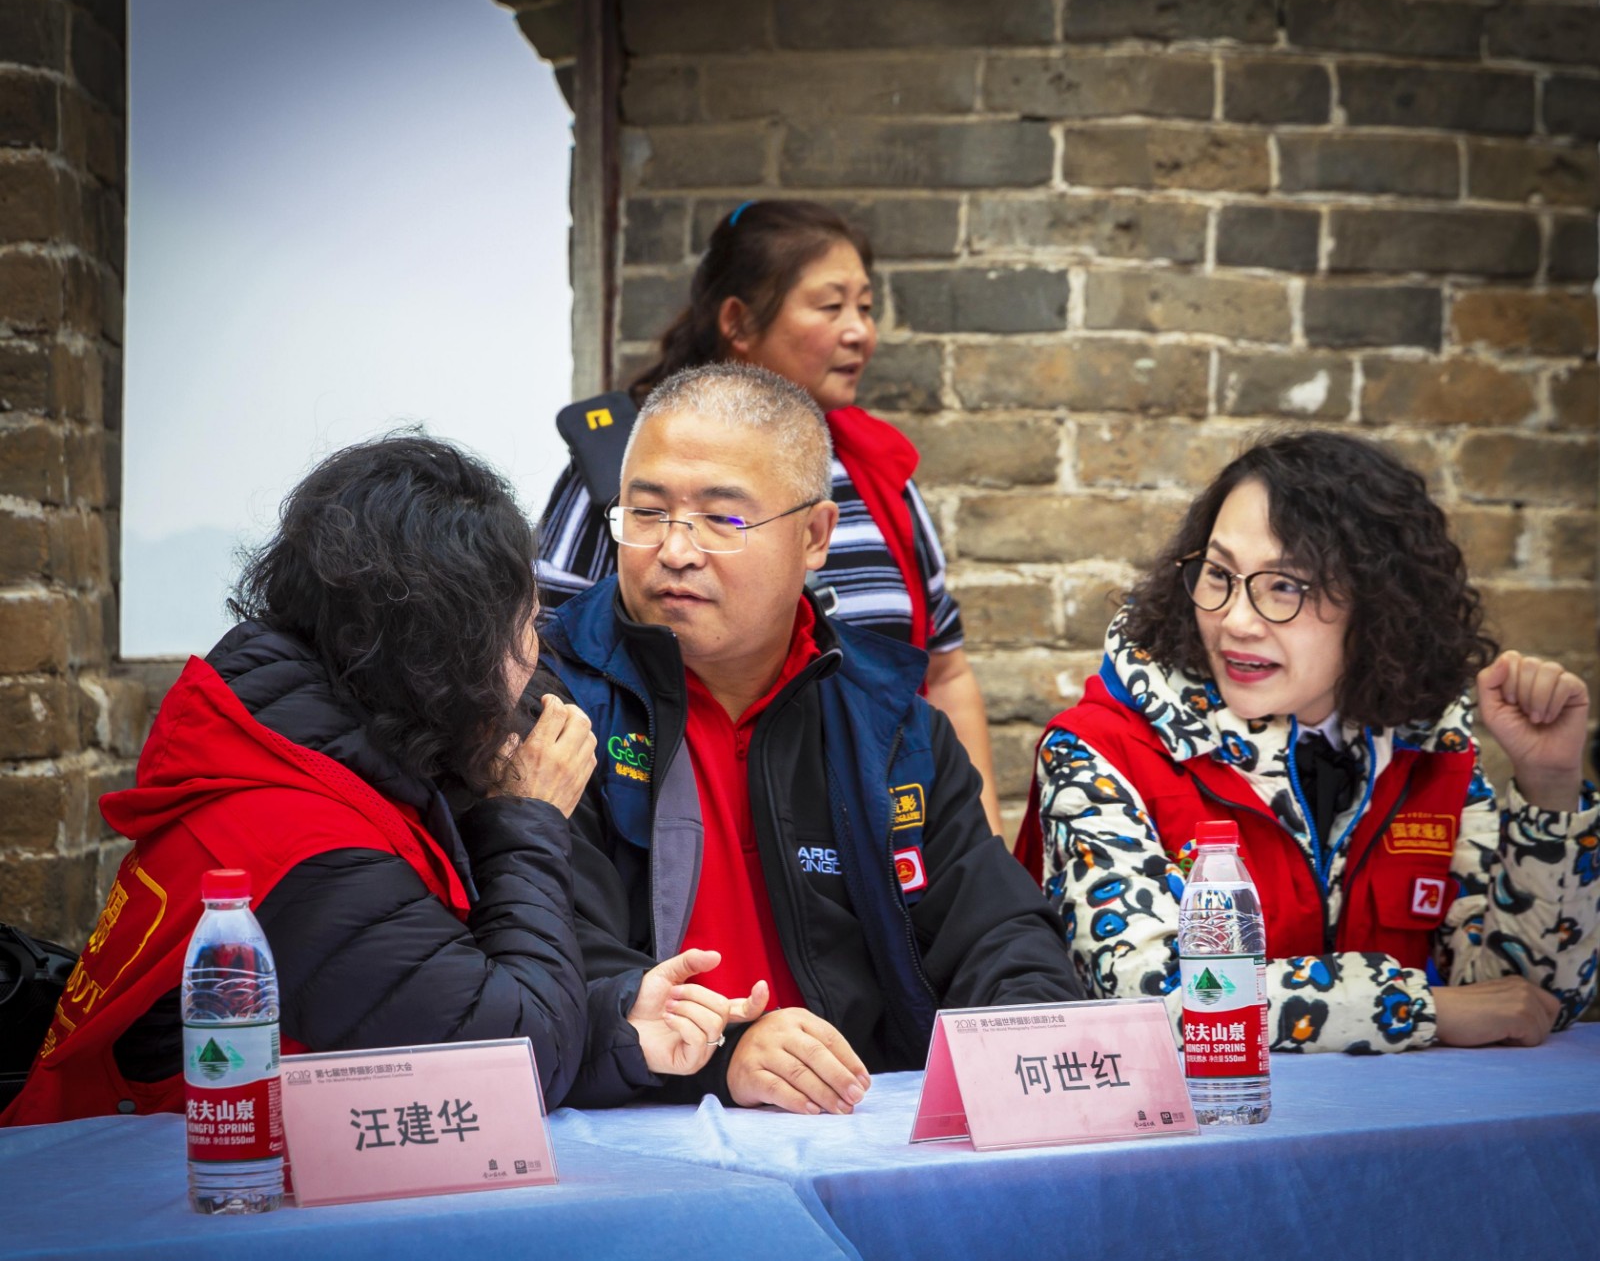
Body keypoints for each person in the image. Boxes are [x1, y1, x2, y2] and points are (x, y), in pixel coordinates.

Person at [2, 434, 759, 1126]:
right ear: (448, 651)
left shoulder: (339, 747)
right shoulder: (298, 837)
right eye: (526, 626)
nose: (537, 660)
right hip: (185, 1185)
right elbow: (509, 1066)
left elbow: (438, 1014)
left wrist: (623, 1024)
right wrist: (528, 817)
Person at [542, 363, 1083, 1115]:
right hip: (636, 1131)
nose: (675, 550)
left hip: (864, 1127)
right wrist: (721, 1056)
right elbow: (543, 961)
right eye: (647, 512)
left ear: (815, 536)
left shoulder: (887, 722)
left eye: (721, 520)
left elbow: (998, 930)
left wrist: (1029, 1042)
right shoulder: (551, 707)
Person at [1018, 430, 1599, 1054]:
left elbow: (1525, 1006)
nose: (1236, 620)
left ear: (1381, 607)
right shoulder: (1098, 752)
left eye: (1286, 586)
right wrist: (1415, 1009)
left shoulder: (1430, 753)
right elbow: (1147, 1001)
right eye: (1219, 574)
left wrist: (1549, 788)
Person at [537, 200, 1004, 833]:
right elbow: (546, 662)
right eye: (830, 306)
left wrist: (978, 842)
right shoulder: (625, 464)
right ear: (738, 321)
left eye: (865, 308)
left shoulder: (877, 469)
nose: (859, 332)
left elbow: (945, 669)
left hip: (875, 836)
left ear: (817, 531)